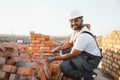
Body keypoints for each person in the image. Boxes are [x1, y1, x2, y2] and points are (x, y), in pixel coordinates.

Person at [46, 10, 102, 80]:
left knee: (63, 67)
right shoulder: (76, 32)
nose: (73, 23)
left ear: (82, 20)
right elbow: (70, 43)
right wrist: (59, 48)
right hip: (84, 55)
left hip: (91, 59)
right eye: (71, 21)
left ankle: (87, 75)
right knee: (65, 51)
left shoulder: (83, 36)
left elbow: (72, 54)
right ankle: (76, 69)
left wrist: (54, 58)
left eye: (76, 21)